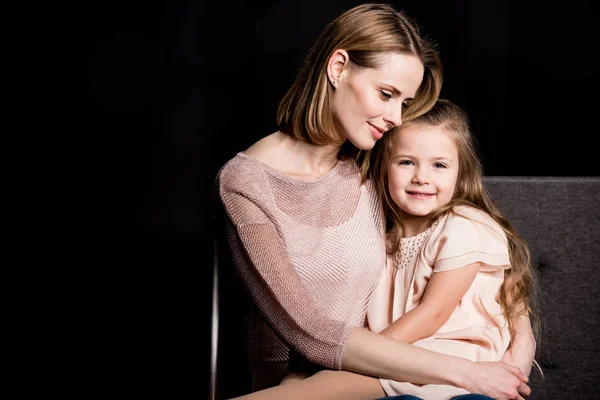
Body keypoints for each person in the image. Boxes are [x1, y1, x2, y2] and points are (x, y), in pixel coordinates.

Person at [216, 3, 535, 399]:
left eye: (403, 102)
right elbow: (310, 332)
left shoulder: (369, 161)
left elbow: (479, 256)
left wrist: (522, 342)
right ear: (338, 67)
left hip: (396, 375)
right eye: (386, 94)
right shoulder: (246, 184)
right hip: (301, 383)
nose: (396, 118)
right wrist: (467, 373)